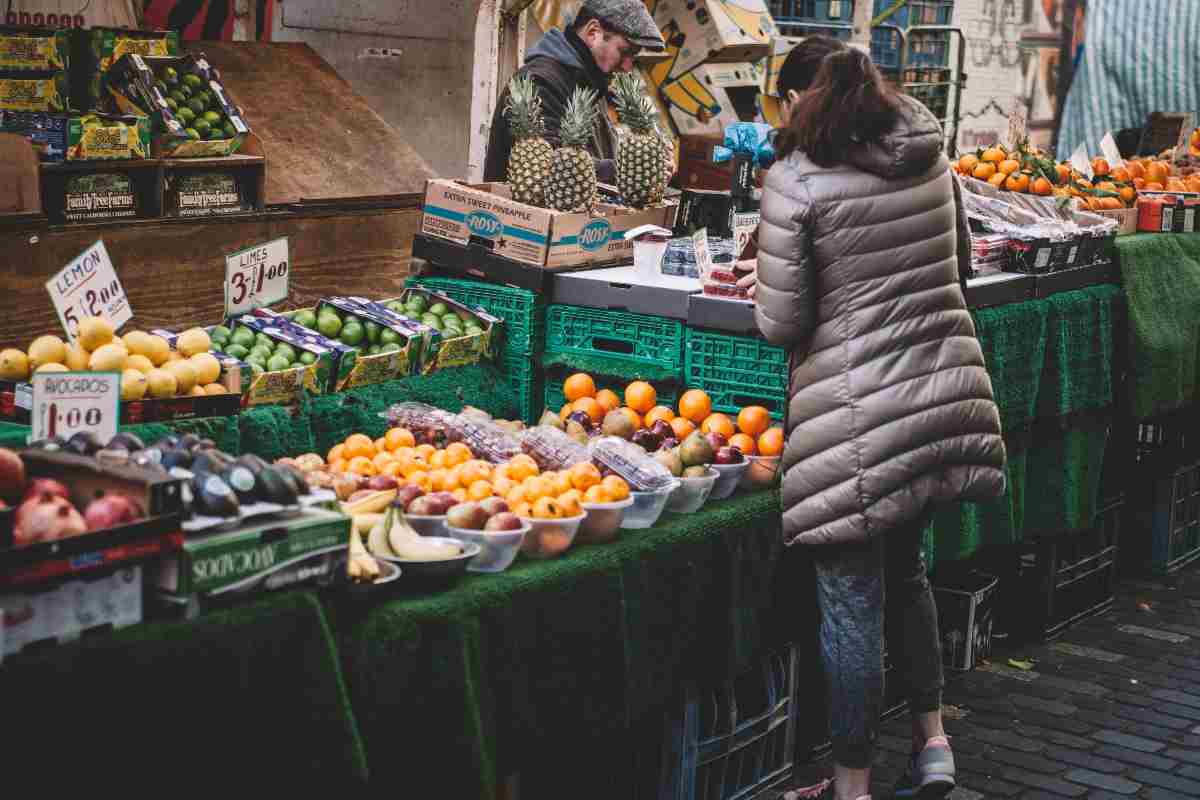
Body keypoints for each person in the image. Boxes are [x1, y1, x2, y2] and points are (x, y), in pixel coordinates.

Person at [754, 43, 1007, 800]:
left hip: (856, 422)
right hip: (938, 401)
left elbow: (781, 320)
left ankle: (852, 785)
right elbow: (960, 262)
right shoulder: (931, 158)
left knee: (852, 607)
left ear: (804, 98)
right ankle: (934, 746)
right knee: (910, 576)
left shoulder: (796, 181)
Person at [483, 0, 664, 185]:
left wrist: (647, 161)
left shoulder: (590, 82)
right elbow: (550, 167)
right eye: (625, 52)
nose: (627, 67)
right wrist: (632, 168)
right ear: (593, 33)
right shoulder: (540, 81)